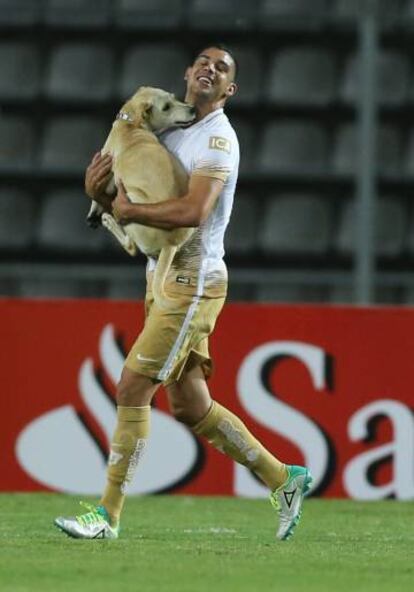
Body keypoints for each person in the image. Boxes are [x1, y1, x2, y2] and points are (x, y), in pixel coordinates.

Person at [54, 44, 312, 541]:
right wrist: (100, 195)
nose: (209, 69)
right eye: (203, 62)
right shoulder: (168, 129)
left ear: (229, 89)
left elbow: (193, 213)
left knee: (132, 385)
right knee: (191, 405)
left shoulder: (217, 141)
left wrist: (126, 214)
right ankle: (285, 479)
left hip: (193, 280)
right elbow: (138, 195)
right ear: (187, 74)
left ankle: (107, 516)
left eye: (222, 68)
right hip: (161, 274)